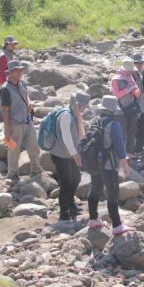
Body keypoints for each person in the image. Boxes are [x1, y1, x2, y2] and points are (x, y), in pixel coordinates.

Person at [87, 96, 135, 235]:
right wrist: (125, 167)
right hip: (108, 164)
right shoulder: (114, 125)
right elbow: (120, 149)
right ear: (113, 111)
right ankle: (117, 225)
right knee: (112, 193)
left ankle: (93, 218)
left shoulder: (94, 121)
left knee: (95, 187)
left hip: (94, 162)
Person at [0, 60, 42, 183]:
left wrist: (29, 103)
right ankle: (12, 174)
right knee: (14, 150)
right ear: (11, 72)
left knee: (34, 146)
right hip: (14, 124)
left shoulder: (20, 83)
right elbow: (5, 110)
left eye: (20, 70)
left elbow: (26, 95)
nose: (20, 73)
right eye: (17, 70)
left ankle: (36, 170)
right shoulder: (5, 89)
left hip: (27, 120)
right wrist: (7, 129)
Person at [50, 91, 90, 221]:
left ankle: (70, 202)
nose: (83, 109)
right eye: (82, 106)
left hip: (71, 154)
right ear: (75, 103)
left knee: (76, 179)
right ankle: (63, 212)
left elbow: (79, 137)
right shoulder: (66, 115)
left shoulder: (76, 115)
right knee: (66, 182)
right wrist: (75, 155)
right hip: (60, 154)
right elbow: (66, 137)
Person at [111, 58, 142, 158]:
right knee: (122, 132)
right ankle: (121, 153)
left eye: (131, 70)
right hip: (120, 110)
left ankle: (130, 151)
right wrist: (128, 90)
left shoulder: (131, 78)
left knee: (132, 130)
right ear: (124, 69)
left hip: (132, 108)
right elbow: (116, 95)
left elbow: (138, 93)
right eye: (129, 70)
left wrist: (133, 90)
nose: (131, 72)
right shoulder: (116, 79)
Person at [131, 53, 144, 154]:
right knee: (137, 130)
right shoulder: (131, 77)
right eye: (138, 63)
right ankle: (136, 150)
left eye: (142, 62)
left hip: (141, 107)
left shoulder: (138, 74)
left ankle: (139, 148)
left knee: (142, 129)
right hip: (135, 109)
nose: (141, 65)